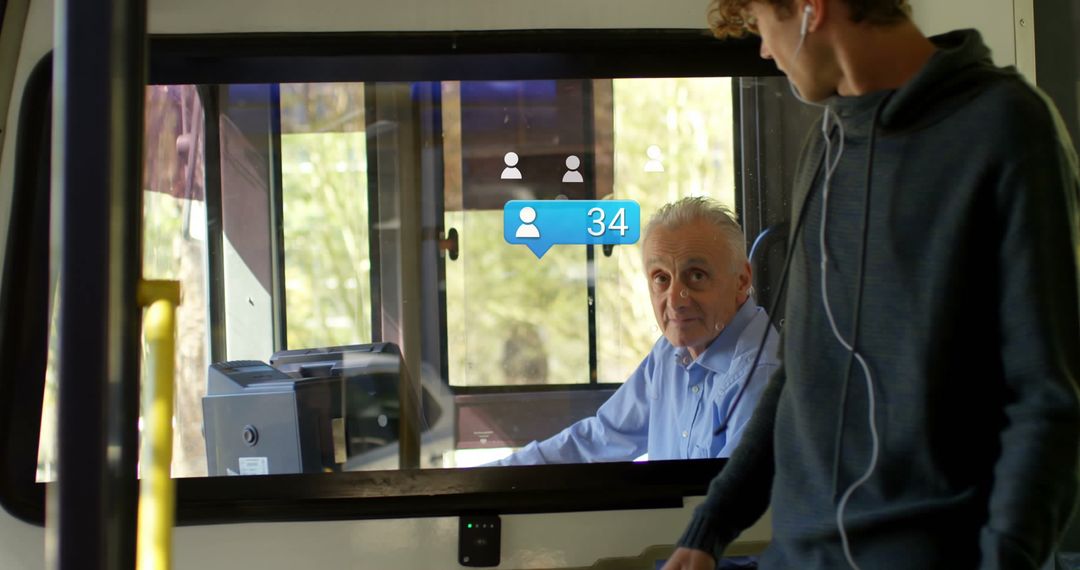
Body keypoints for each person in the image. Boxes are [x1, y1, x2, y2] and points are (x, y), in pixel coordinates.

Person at [663, 1, 1080, 569]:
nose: (763, 48)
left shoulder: (1006, 129)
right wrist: (707, 530)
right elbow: (800, 374)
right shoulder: (824, 146)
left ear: (813, 8)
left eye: (764, 24)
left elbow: (1046, 400)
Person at [494, 197, 780, 465]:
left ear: (742, 281)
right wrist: (491, 477)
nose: (675, 300)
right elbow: (603, 438)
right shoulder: (670, 353)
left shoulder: (760, 376)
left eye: (696, 276)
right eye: (661, 279)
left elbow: (729, 506)